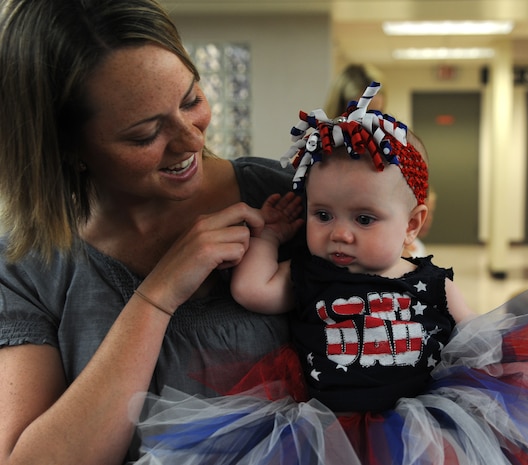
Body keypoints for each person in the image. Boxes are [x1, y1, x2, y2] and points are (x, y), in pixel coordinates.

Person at [133, 83, 528, 465]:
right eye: (322, 215)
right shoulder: (308, 274)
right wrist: (271, 239)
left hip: (421, 425)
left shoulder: (431, 281)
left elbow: (478, 338)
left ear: (411, 225)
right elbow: (252, 290)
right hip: (325, 428)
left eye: (364, 219)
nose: (340, 234)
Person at [0, 1, 304, 464]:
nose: (191, 141)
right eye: (145, 134)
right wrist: (157, 295)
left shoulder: (293, 202)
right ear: (66, 147)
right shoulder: (26, 268)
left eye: (191, 101)